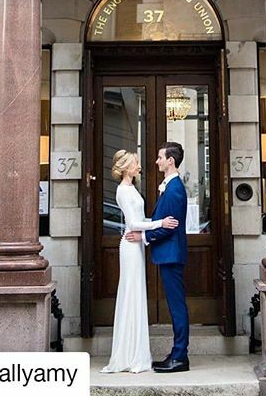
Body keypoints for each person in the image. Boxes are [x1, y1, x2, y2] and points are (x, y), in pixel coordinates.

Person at [101, 150, 179, 373]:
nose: (139, 167)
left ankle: (136, 352)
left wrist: (155, 223)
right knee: (131, 293)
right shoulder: (122, 191)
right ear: (126, 168)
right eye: (136, 163)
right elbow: (133, 224)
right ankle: (128, 355)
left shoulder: (132, 188)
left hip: (137, 245)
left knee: (136, 294)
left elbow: (139, 219)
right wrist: (160, 223)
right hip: (130, 245)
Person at [126, 141, 189, 373]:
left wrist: (143, 237)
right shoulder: (169, 186)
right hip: (168, 254)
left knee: (177, 306)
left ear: (170, 161)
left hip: (171, 255)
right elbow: (163, 222)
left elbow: (170, 226)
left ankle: (180, 356)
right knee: (175, 305)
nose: (156, 161)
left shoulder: (174, 189)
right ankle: (177, 354)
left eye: (160, 157)